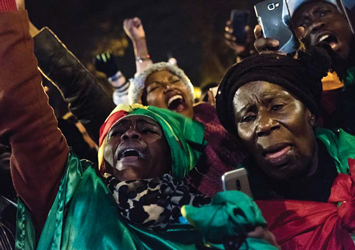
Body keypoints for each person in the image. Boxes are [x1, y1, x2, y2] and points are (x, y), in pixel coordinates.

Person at [0, 4, 280, 249]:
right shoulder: (73, 193)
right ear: (103, 161)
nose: (130, 133)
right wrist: (10, 17)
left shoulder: (217, 222)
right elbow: (31, 116)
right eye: (117, 133)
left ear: (175, 154)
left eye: (147, 130)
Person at [216, 43, 355, 249]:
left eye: (277, 107)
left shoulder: (350, 157)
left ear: (309, 111)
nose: (264, 125)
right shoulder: (240, 215)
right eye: (248, 117)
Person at [128, 61, 246, 196]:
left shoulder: (213, 113)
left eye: (175, 81)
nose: (168, 87)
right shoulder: (153, 151)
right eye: (155, 88)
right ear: (144, 106)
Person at [254, 0, 355, 134]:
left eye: (323, 13)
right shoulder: (327, 102)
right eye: (303, 23)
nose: (316, 24)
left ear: (347, 17)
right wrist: (277, 72)